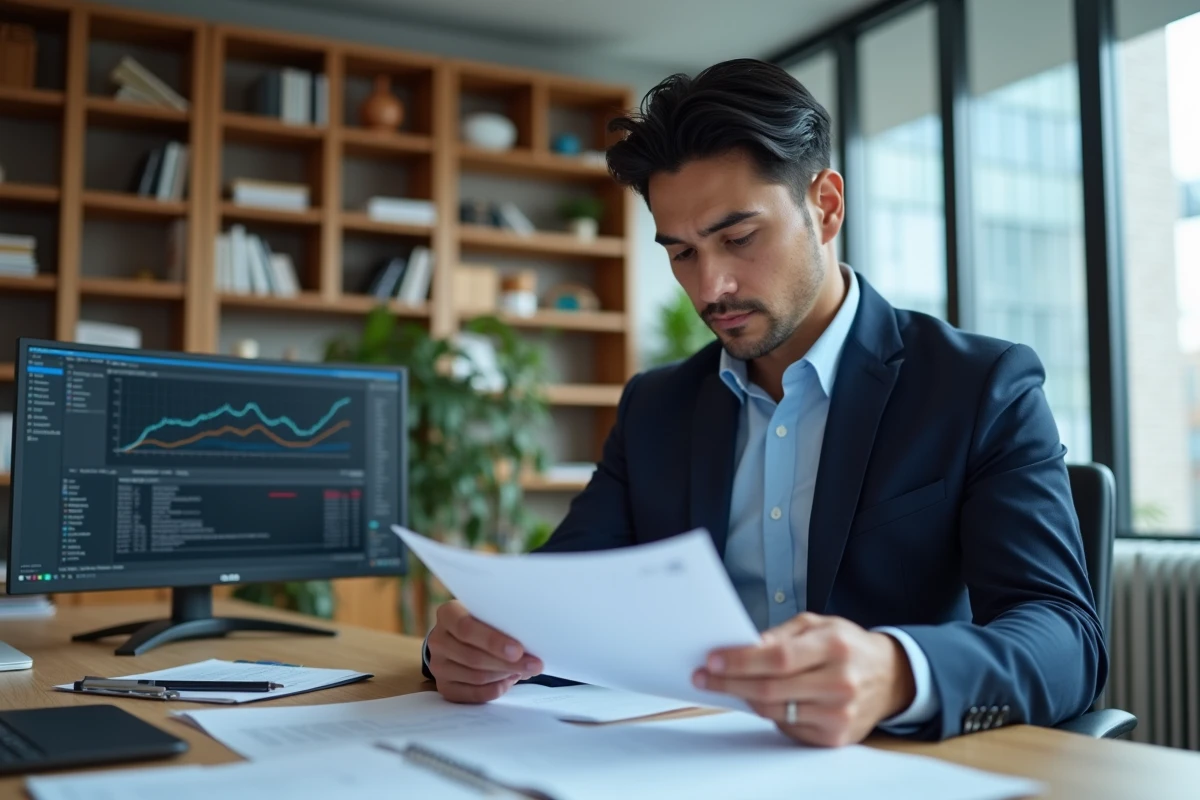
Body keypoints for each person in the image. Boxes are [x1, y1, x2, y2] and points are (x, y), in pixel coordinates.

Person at [421, 58, 1107, 746]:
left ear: (826, 206)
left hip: (889, 767)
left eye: (738, 238)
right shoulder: (657, 407)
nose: (710, 286)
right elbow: (559, 598)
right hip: (681, 762)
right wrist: (469, 645)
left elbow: (1064, 637)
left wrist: (896, 672)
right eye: (682, 252)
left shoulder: (979, 386)